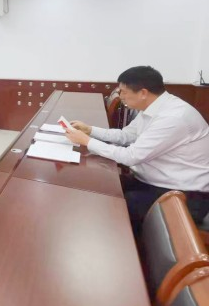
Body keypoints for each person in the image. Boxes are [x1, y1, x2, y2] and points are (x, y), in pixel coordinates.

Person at [65, 66, 209, 235]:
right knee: (101, 188)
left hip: (184, 196)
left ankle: (128, 248)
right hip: (153, 181)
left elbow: (131, 156)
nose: (120, 96)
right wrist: (90, 130)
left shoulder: (173, 118)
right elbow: (126, 135)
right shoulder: (155, 107)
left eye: (123, 92)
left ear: (143, 93)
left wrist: (87, 141)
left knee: (116, 207)